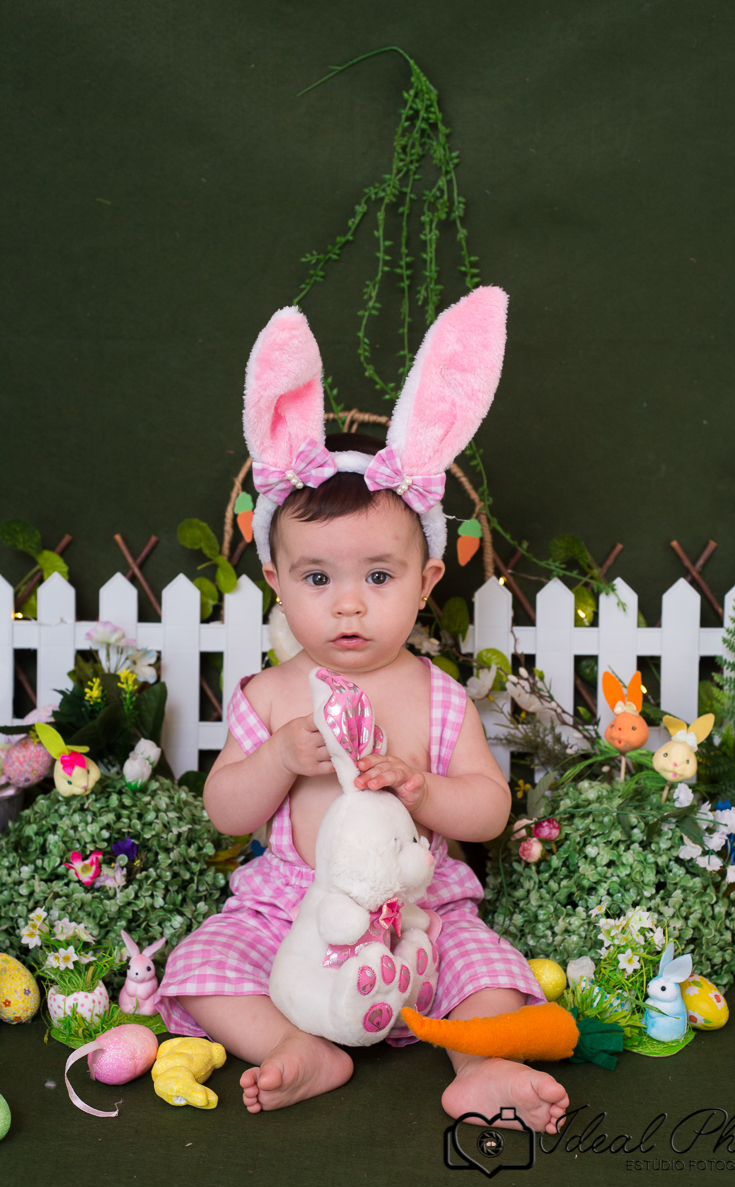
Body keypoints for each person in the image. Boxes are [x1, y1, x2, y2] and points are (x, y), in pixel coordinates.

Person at [156, 291, 569, 1134]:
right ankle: (298, 1047)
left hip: (416, 913)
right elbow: (224, 811)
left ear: (425, 581)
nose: (349, 605)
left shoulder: (436, 695)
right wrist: (277, 760)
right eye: (318, 578)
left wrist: (422, 788)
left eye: (378, 577)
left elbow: (489, 813)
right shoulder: (269, 697)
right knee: (204, 963)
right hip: (291, 911)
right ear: (276, 582)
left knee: (485, 969)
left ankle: (479, 1064)